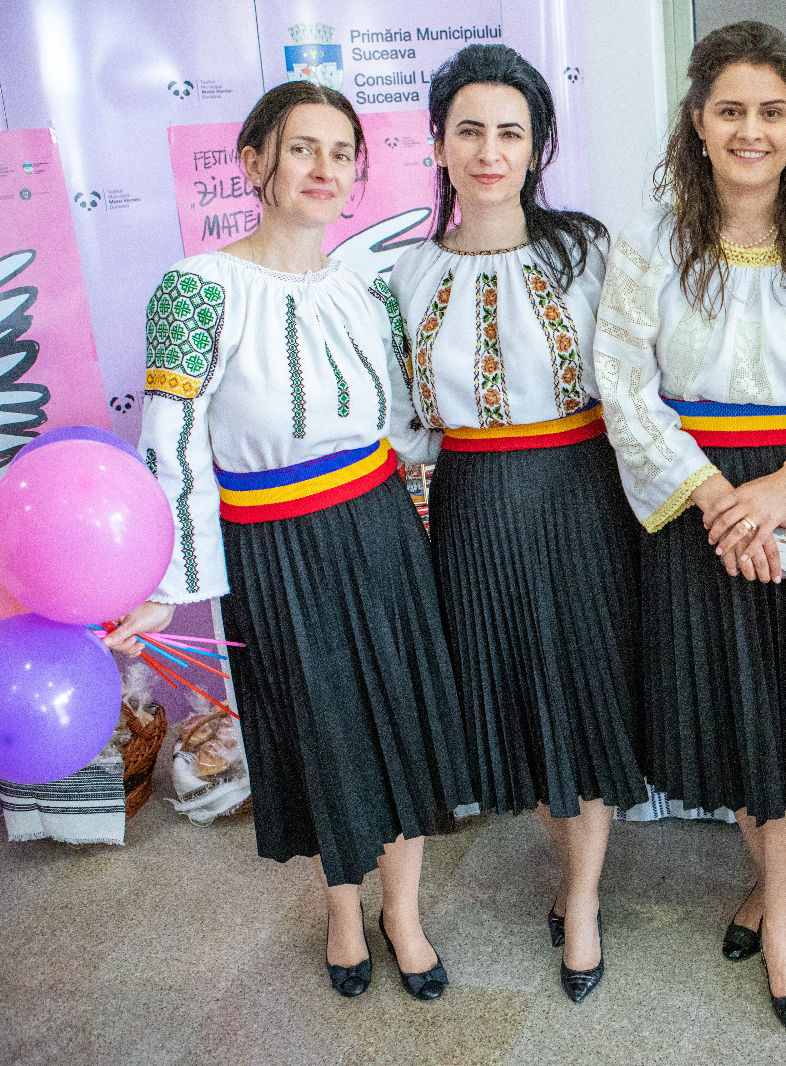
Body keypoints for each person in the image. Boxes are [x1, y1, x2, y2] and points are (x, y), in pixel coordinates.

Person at [104, 82, 471, 1002]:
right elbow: (172, 446)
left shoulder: (367, 288)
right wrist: (163, 585)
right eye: (302, 148)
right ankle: (343, 911)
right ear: (254, 161)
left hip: (379, 529)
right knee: (319, 733)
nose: (324, 169)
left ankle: (404, 914)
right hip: (273, 546)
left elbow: (406, 423)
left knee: (402, 719)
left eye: (342, 153)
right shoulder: (197, 290)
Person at [592, 20, 786, 1034]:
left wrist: (785, 486)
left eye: (771, 111)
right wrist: (721, 496)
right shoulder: (650, 240)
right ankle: (768, 885)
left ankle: (783, 928)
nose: (750, 130)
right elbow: (622, 382)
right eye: (730, 111)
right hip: (696, 507)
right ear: (697, 121)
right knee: (730, 715)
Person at [387, 43, 644, 1004]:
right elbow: (405, 424)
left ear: (538, 147)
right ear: (439, 145)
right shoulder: (406, 273)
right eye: (469, 131)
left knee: (581, 694)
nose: (489, 151)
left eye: (510, 132)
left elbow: (634, 385)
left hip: (580, 493)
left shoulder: (589, 250)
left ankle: (583, 900)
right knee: (521, 704)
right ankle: (566, 869)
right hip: (470, 505)